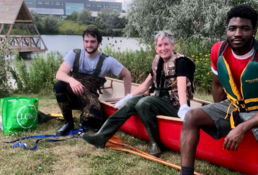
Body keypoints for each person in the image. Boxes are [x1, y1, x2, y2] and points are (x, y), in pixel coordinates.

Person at [179, 5, 258, 175]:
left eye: (244, 28)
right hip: (234, 105)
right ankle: (185, 173)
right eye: (232, 28)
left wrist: (242, 127)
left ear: (254, 30)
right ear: (227, 30)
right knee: (191, 116)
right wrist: (222, 121)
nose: (237, 34)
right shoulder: (218, 50)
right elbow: (217, 85)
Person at [82, 30, 196, 158]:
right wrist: (128, 97)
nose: (163, 48)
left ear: (173, 45)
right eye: (160, 45)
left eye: (166, 44)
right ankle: (101, 137)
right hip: (158, 100)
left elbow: (181, 86)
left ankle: (156, 144)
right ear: (156, 48)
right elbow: (145, 85)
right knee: (131, 103)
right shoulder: (158, 61)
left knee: (144, 103)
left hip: (174, 105)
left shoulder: (181, 62)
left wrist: (183, 107)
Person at [53, 26, 132, 136]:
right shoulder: (74, 54)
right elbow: (59, 73)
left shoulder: (107, 61)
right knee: (59, 86)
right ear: (83, 41)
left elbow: (127, 74)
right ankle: (68, 123)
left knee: (93, 119)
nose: (89, 45)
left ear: (99, 43)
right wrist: (71, 80)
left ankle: (84, 119)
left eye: (93, 42)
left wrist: (126, 98)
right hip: (72, 94)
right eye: (86, 41)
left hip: (89, 97)